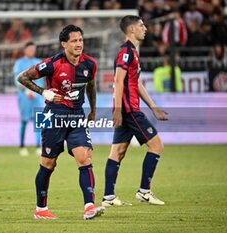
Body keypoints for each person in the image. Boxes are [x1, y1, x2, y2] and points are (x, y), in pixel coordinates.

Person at [18, 24, 105, 220]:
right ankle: (41, 210)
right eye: (74, 41)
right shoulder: (52, 63)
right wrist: (44, 92)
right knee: (48, 164)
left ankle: (89, 206)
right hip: (53, 116)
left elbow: (91, 86)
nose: (79, 44)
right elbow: (22, 77)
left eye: (81, 40)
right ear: (64, 43)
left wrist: (93, 110)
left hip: (76, 117)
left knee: (85, 158)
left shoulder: (89, 64)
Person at [101, 15, 168, 208]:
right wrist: (118, 110)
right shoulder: (126, 52)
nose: (145, 28)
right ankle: (144, 192)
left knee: (118, 152)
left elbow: (135, 83)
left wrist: (153, 108)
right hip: (129, 110)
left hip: (129, 108)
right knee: (156, 146)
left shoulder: (133, 52)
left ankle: (108, 197)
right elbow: (118, 81)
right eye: (141, 25)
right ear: (131, 30)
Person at [13, 42, 44, 156]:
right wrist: (26, 90)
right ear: (25, 50)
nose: (32, 51)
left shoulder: (38, 62)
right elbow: (17, 79)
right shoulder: (19, 63)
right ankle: (22, 146)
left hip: (37, 96)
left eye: (34, 49)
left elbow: (42, 80)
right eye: (30, 49)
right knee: (24, 120)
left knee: (39, 122)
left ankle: (38, 146)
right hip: (24, 96)